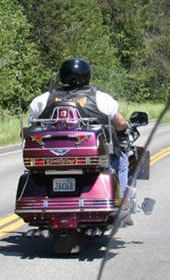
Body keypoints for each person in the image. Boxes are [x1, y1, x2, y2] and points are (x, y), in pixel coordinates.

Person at [29, 58, 135, 225]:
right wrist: (124, 129)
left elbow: (32, 126)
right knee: (121, 160)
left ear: (62, 76)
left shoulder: (42, 100)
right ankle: (122, 204)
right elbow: (120, 123)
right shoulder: (100, 98)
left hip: (51, 157)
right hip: (92, 155)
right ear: (87, 76)